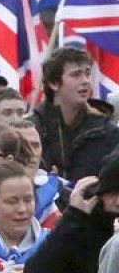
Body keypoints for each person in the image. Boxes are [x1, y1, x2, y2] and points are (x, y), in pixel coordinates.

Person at [31, 46, 119, 182]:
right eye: (76, 75)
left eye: (88, 73)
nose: (85, 80)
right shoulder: (33, 130)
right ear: (54, 83)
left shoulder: (107, 132)